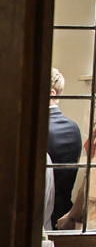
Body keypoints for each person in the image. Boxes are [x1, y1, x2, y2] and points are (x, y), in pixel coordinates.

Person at [46, 67, 82, 228]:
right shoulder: (74, 128)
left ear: (52, 93)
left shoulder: (35, 128)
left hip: (40, 213)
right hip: (64, 211)